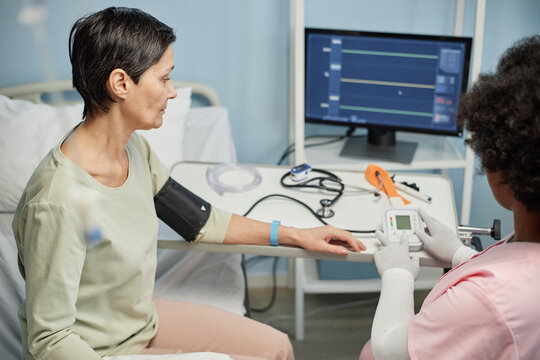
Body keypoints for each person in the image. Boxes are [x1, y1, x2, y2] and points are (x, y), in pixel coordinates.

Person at [12, 7, 366, 360]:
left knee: (276, 348)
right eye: (164, 78)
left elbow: (198, 220)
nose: (173, 92)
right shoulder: (56, 202)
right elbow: (51, 340)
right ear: (121, 83)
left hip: (139, 320)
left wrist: (296, 234)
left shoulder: (133, 148)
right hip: (98, 351)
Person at [360, 35, 540, 359]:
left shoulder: (489, 300)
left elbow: (388, 350)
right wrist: (460, 255)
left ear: (501, 160)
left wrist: (398, 274)